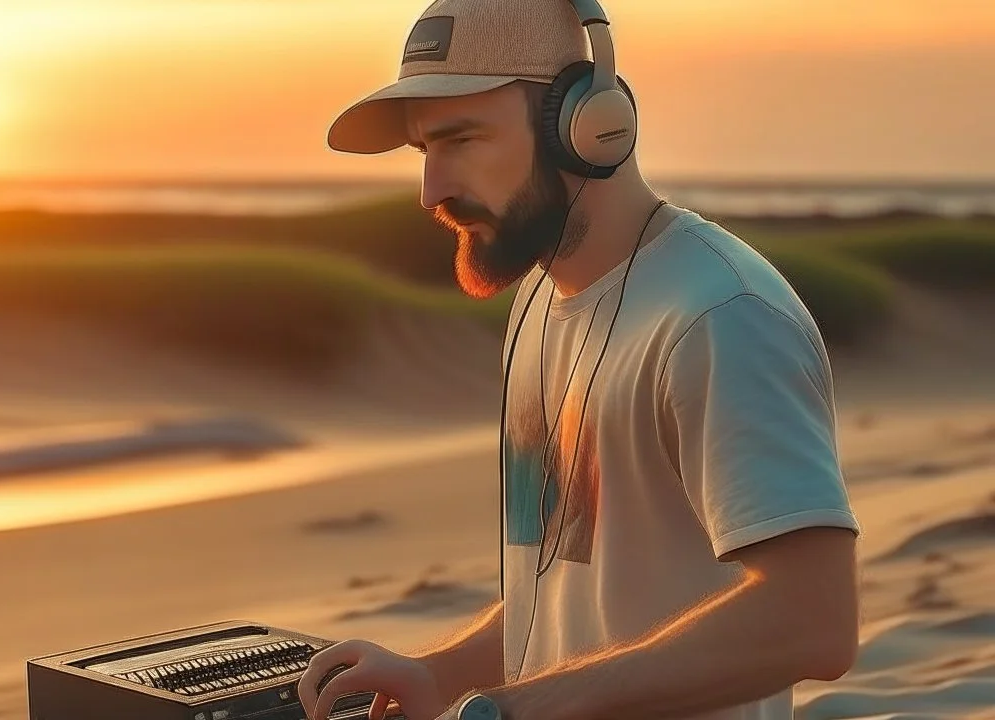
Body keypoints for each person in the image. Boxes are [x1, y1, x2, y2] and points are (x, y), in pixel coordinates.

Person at [297, 1, 863, 720]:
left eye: (462, 140)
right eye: (424, 152)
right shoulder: (537, 305)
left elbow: (812, 622)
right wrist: (439, 678)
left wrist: (511, 711)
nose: (431, 191)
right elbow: (563, 587)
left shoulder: (720, 318)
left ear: (588, 128)